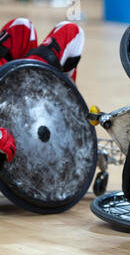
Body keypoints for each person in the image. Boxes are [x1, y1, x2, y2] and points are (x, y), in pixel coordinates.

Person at [0, 17, 85, 164]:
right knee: (71, 31)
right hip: (18, 109)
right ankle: (66, 111)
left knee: (23, 28)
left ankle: (62, 105)